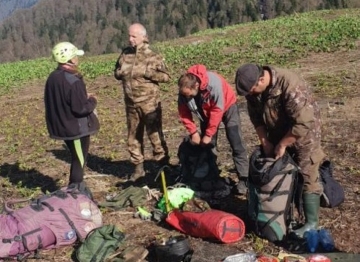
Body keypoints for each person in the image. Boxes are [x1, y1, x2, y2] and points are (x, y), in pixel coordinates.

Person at [235, 63, 326, 237]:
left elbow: (303, 123)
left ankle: (311, 223)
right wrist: (265, 142)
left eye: (252, 90)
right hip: (278, 131)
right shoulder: (253, 90)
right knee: (280, 171)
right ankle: (283, 210)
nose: (251, 95)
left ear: (261, 79)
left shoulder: (290, 85)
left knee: (307, 173)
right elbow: (256, 119)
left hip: (304, 135)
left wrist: (283, 144)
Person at [177, 64, 249, 195]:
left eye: (188, 95)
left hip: (227, 106)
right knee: (208, 146)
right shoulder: (184, 89)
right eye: (184, 95)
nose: (186, 97)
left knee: (236, 141)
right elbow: (183, 112)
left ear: (196, 86)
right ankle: (212, 175)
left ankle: (244, 178)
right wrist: (193, 132)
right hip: (205, 111)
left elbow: (217, 110)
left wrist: (209, 133)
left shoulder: (213, 84)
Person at [114, 23, 170, 181]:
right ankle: (138, 168)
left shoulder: (153, 55)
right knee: (133, 137)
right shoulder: (125, 54)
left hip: (149, 103)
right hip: (131, 104)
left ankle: (162, 167)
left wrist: (148, 73)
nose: (130, 39)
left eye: (133, 36)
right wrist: (120, 73)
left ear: (143, 37)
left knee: (155, 136)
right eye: (129, 36)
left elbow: (166, 77)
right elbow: (116, 72)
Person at [44, 42, 100, 188]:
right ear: (69, 59)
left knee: (77, 158)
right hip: (75, 129)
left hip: (62, 125)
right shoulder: (73, 80)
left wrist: (82, 96)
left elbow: (63, 98)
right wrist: (92, 100)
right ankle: (75, 189)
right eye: (75, 56)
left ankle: (75, 188)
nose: (77, 58)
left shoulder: (53, 77)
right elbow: (80, 109)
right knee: (79, 160)